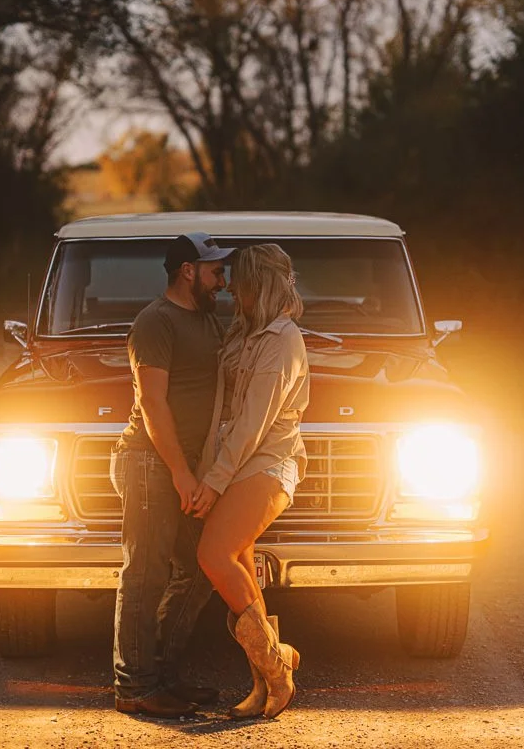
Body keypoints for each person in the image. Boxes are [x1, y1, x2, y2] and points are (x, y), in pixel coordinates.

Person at [110, 232, 233, 718]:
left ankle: (160, 675)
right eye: (216, 271)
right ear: (189, 271)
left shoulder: (206, 319)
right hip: (149, 461)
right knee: (144, 572)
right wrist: (182, 474)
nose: (222, 281)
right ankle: (134, 687)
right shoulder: (154, 323)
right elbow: (152, 403)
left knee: (203, 564)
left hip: (185, 468)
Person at [189, 244, 309, 719]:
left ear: (261, 283)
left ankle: (278, 668)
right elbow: (223, 413)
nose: (231, 287)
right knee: (236, 560)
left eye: (240, 280)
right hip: (238, 463)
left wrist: (215, 481)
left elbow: (255, 423)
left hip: (268, 462)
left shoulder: (283, 340)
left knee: (213, 555)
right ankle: (265, 684)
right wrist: (206, 470)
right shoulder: (244, 333)